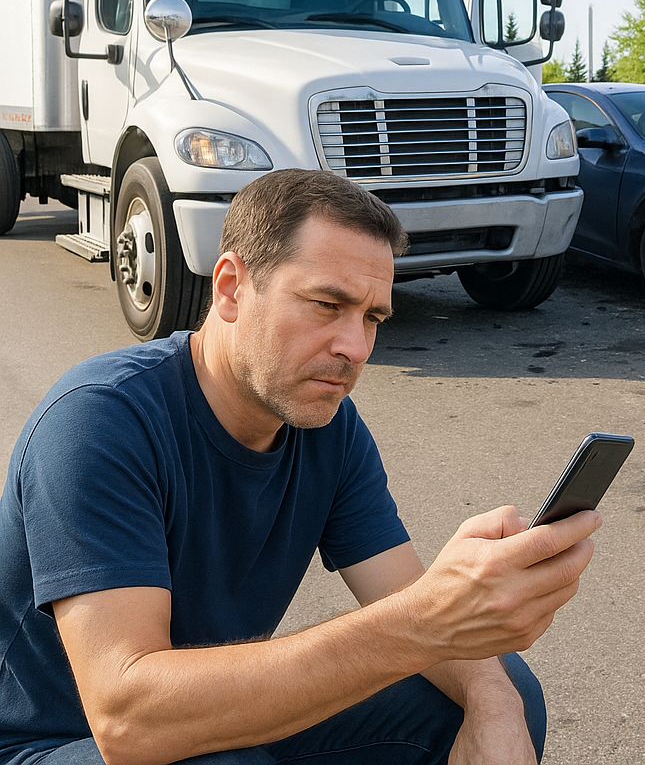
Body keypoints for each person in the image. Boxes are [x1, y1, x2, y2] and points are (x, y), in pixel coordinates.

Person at [0, 168, 601, 765]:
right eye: (327, 304)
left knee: (500, 690)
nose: (356, 348)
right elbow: (128, 720)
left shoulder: (327, 425)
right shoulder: (101, 423)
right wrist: (424, 621)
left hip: (209, 719)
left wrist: (489, 697)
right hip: (51, 742)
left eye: (372, 317)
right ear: (232, 288)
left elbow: (403, 596)